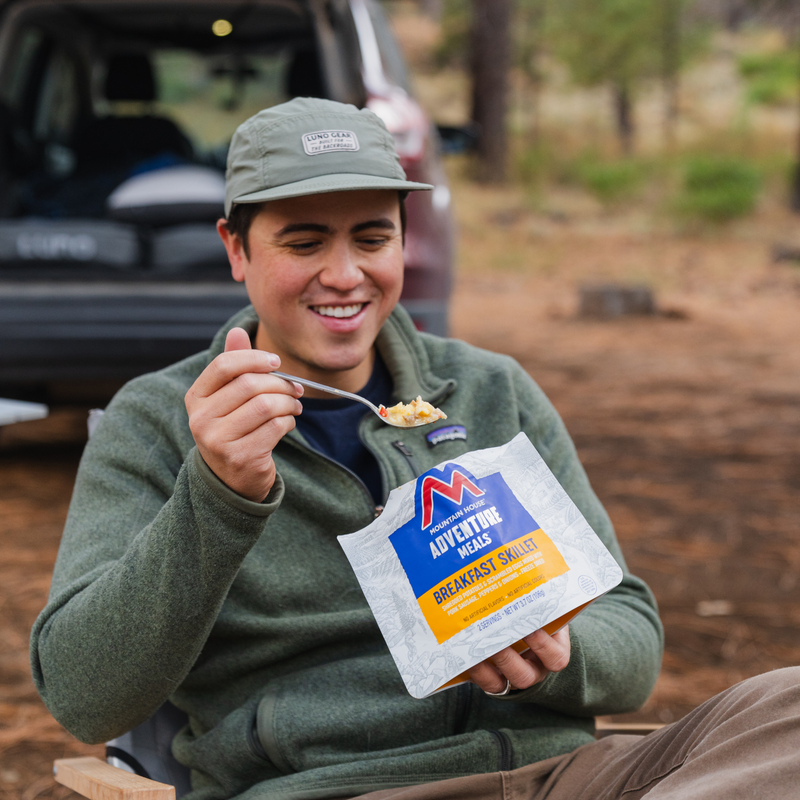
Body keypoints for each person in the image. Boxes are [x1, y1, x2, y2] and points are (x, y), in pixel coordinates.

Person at [31, 98, 798, 800]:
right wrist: (217, 495)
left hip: (564, 774)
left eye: (373, 238)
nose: (345, 275)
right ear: (236, 249)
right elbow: (84, 694)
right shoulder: (164, 421)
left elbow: (632, 638)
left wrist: (557, 653)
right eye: (304, 241)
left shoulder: (488, 391)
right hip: (341, 787)